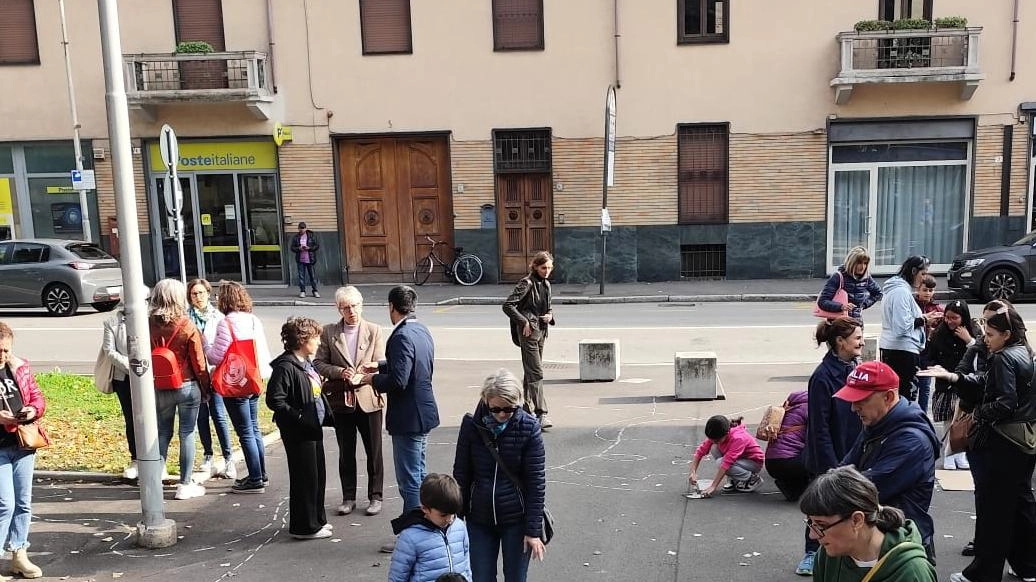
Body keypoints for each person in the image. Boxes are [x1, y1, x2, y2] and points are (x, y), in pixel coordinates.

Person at [920, 307, 1036, 582]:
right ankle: (1027, 565)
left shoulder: (1002, 358)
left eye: (991, 333)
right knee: (1020, 504)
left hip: (1002, 441)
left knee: (993, 511)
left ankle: (984, 573)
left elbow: (1003, 401)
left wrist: (978, 416)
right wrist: (955, 377)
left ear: (1007, 334)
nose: (985, 338)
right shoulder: (1025, 353)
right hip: (1025, 440)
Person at [835, 360, 939, 561]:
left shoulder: (911, 441)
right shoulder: (877, 423)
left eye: (861, 400)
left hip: (900, 544)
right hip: (876, 536)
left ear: (888, 397)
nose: (853, 408)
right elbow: (845, 469)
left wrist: (827, 491)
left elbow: (865, 487)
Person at [361, 285, 438, 553]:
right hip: (422, 412)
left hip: (409, 417)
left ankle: (410, 534)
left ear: (392, 307)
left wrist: (373, 379)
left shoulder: (401, 336)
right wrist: (381, 365)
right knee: (418, 473)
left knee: (410, 479)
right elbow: (416, 364)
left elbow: (399, 379)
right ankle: (425, 526)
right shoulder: (421, 330)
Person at [453, 369, 546, 582]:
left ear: (518, 403)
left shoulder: (529, 428)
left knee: (515, 577)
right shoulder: (471, 426)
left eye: (509, 409)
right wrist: (456, 521)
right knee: (481, 577)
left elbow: (536, 483)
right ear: (485, 400)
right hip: (479, 519)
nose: (502, 414)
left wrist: (532, 531)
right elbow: (461, 476)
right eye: (496, 409)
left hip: (516, 519)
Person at [797, 317, 865, 576]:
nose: (861, 342)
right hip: (829, 455)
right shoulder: (823, 377)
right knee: (822, 505)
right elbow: (819, 427)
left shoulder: (854, 369)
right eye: (857, 337)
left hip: (851, 450)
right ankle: (811, 552)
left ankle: (842, 552)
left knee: (846, 508)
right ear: (840, 341)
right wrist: (831, 466)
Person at [313, 286, 386, 517]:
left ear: (361, 305)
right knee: (346, 451)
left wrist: (369, 371)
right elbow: (318, 363)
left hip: (368, 399)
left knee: (374, 450)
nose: (351, 311)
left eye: (354, 306)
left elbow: (381, 362)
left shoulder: (374, 330)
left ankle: (375, 496)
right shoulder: (329, 332)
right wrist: (338, 371)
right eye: (345, 307)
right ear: (339, 309)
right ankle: (348, 497)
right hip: (341, 401)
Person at [800, 466, 936, 582]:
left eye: (821, 525)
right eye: (810, 523)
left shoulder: (913, 572)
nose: (812, 535)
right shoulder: (827, 555)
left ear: (857, 520)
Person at [266, 316, 333, 540]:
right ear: (302, 340)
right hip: (298, 431)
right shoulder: (286, 367)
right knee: (305, 477)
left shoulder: (305, 363)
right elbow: (275, 399)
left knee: (317, 475)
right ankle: (304, 526)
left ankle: (316, 519)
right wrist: (299, 416)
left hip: (311, 428)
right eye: (315, 338)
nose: (318, 342)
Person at [207, 281, 273, 494]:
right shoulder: (253, 320)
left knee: (244, 431)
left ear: (225, 300)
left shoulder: (225, 323)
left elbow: (217, 356)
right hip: (254, 379)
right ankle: (261, 473)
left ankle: (254, 478)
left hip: (235, 383)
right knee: (254, 428)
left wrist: (205, 346)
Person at [148, 278, 210, 500]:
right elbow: (199, 362)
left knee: (163, 432)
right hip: (186, 385)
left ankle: (154, 481)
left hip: (159, 384)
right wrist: (206, 387)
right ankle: (184, 483)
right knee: (187, 433)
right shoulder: (186, 325)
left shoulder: (147, 324)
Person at [0, 322, 46, 578]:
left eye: (6, 350)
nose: (3, 355)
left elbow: (38, 397)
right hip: (0, 448)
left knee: (23, 503)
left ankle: (19, 554)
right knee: (5, 504)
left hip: (22, 444)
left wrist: (32, 410)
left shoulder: (19, 367)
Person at [187, 278, 235, 480]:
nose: (198, 297)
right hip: (195, 372)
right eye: (193, 294)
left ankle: (228, 458)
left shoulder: (219, 317)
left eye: (201, 293)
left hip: (215, 371)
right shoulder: (186, 317)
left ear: (208, 294)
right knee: (200, 416)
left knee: (219, 415)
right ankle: (208, 455)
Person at [502, 252, 556, 429]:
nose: (546, 271)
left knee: (531, 372)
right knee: (536, 372)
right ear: (535, 267)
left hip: (541, 331)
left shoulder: (546, 284)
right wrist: (523, 321)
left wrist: (550, 315)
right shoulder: (527, 283)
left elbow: (547, 307)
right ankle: (541, 413)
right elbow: (508, 305)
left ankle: (525, 409)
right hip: (529, 333)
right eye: (543, 268)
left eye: (549, 268)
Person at [388, 473, 472, 582]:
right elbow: (398, 576)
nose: (450, 519)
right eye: (443, 515)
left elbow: (466, 566)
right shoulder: (410, 537)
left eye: (453, 513)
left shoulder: (459, 527)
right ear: (425, 509)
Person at [925, 299, 977, 470]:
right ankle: (948, 455)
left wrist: (969, 340)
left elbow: (982, 357)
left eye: (954, 318)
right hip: (946, 386)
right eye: (947, 317)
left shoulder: (973, 332)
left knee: (964, 421)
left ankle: (960, 454)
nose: (950, 321)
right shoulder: (939, 334)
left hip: (965, 384)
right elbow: (927, 357)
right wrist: (935, 366)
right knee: (949, 420)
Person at [880, 255, 941, 401]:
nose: (924, 278)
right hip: (902, 352)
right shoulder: (901, 292)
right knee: (905, 397)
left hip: (896, 349)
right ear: (914, 271)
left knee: (898, 396)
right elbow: (902, 327)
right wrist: (924, 319)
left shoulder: (897, 290)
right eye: (923, 273)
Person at [101, 304, 137, 480]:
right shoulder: (111, 323)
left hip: (146, 376)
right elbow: (109, 351)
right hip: (123, 378)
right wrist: (130, 366)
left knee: (151, 418)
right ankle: (136, 459)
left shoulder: (149, 318)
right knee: (131, 419)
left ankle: (156, 458)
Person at [689, 415, 765, 496]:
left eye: (717, 440)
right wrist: (693, 472)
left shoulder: (738, 438)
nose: (714, 441)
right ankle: (734, 479)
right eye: (711, 439)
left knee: (720, 462)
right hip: (740, 460)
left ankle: (752, 479)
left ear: (727, 433)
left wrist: (713, 486)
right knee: (714, 447)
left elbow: (726, 463)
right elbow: (700, 452)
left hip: (754, 463)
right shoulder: (717, 435)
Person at [764, 390, 810, 502]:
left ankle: (788, 484)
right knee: (815, 453)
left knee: (797, 493)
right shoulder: (809, 408)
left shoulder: (785, 409)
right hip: (790, 462)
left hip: (771, 463)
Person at [817, 246, 883, 321]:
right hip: (838, 323)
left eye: (865, 263)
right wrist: (841, 307)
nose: (863, 266)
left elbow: (878, 293)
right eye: (859, 263)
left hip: (856, 323)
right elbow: (822, 301)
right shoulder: (838, 277)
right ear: (851, 262)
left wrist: (864, 305)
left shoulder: (866, 278)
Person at [912, 275, 942, 415]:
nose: (928, 293)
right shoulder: (912, 305)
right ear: (918, 289)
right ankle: (911, 414)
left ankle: (922, 415)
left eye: (931, 290)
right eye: (925, 290)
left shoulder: (937, 308)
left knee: (925, 387)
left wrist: (936, 328)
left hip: (928, 352)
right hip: (913, 349)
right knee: (912, 385)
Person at [290, 222, 320, 299]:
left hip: (310, 259)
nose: (302, 229)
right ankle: (302, 291)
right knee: (301, 276)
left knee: (312, 276)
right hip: (300, 259)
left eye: (303, 228)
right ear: (298, 228)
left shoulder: (311, 236)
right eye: (300, 228)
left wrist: (309, 248)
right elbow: (292, 248)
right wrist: (298, 248)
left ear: (306, 228)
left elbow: (317, 246)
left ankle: (315, 291)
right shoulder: (296, 237)